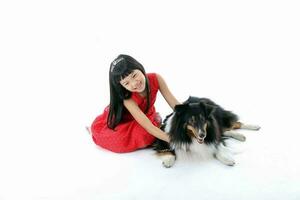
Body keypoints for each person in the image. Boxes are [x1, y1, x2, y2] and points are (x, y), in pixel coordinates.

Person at [90, 54, 180, 153]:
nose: (134, 83)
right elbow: (148, 127)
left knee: (152, 130)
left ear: (140, 68)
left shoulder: (156, 78)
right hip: (125, 122)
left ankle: (154, 123)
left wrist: (189, 116)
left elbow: (176, 106)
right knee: (135, 136)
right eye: (126, 83)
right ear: (122, 86)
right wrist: (174, 140)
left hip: (145, 115)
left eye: (134, 75)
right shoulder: (127, 99)